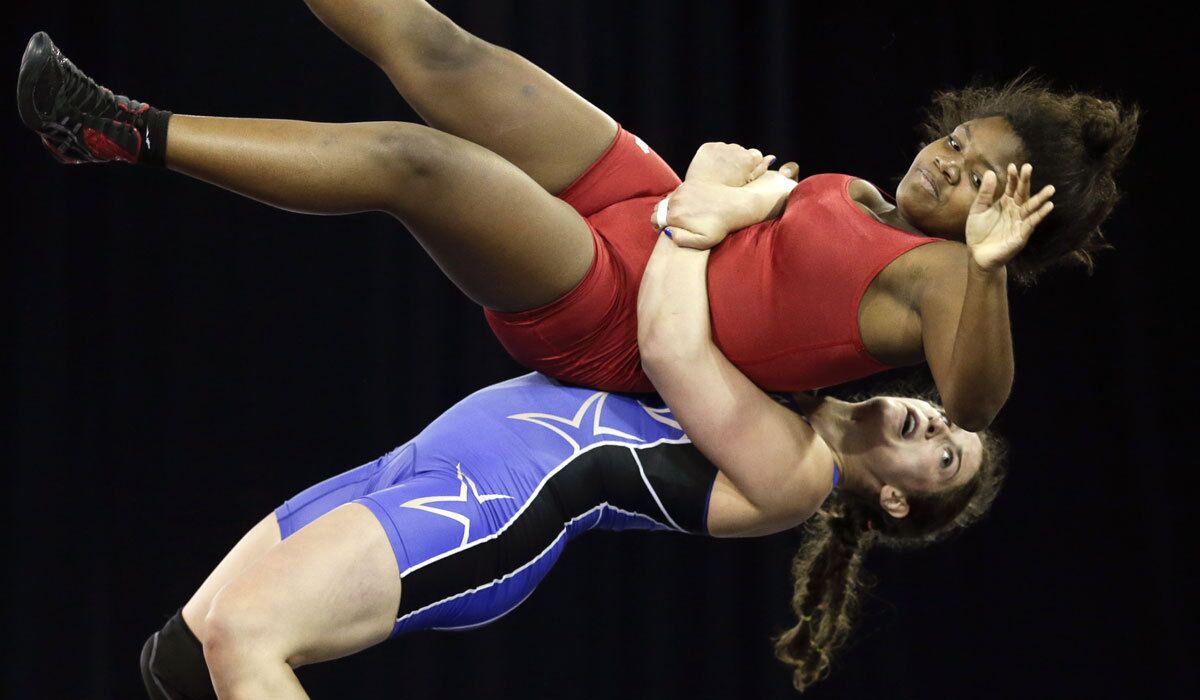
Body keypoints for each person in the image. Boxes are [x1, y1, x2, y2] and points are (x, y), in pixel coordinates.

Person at [16, 5, 1137, 430]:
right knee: (441, 48)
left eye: (979, 175)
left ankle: (116, 128)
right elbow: (743, 230)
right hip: (639, 202)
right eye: (957, 138)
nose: (947, 161)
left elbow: (979, 402)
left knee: (420, 162)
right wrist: (733, 192)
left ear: (1009, 218)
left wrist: (988, 270)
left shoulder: (943, 284)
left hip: (608, 307)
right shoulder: (862, 198)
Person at [137, 230, 1006, 695]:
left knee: (250, 636)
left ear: (895, 499)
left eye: (943, 455)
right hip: (424, 462)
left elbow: (669, 344)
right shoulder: (798, 381)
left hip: (492, 509)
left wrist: (694, 213)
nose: (934, 424)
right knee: (185, 661)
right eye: (947, 425)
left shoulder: (800, 470)